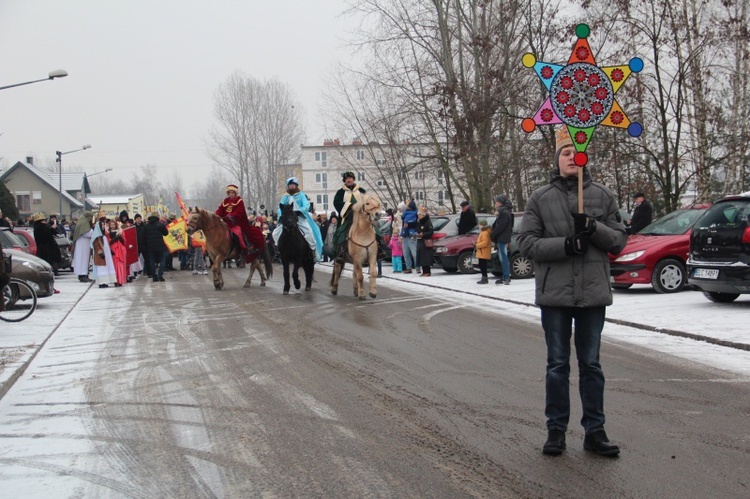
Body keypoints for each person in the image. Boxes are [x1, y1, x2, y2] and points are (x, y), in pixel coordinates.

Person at [517, 126, 627, 457]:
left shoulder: (604, 197)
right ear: (558, 158)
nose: (571, 158)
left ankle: (595, 431)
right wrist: (566, 244)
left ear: (585, 157)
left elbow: (619, 241)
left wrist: (594, 229)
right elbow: (526, 244)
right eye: (565, 153)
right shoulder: (540, 198)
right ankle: (556, 431)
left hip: (592, 295)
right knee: (557, 364)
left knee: (591, 364)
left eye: (576, 153)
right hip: (555, 296)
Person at [333, 171, 385, 263]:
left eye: (350, 178)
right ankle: (341, 252)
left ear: (353, 179)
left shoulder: (361, 190)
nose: (349, 180)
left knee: (375, 230)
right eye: (347, 178)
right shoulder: (341, 192)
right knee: (341, 232)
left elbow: (367, 202)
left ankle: (379, 248)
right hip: (348, 217)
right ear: (345, 180)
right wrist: (349, 206)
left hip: (362, 217)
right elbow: (336, 203)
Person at [273, 177, 324, 262]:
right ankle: (278, 251)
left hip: (299, 218)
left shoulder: (301, 195)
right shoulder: (285, 196)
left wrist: (300, 211)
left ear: (296, 185)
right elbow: (280, 208)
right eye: (290, 185)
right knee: (275, 233)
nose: (292, 186)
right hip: (287, 219)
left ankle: (313, 251)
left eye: (293, 185)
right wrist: (281, 214)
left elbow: (306, 205)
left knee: (309, 232)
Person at [216, 184, 266, 262]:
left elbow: (240, 213)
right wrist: (216, 216)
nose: (231, 194)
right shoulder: (225, 201)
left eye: (233, 193)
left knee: (236, 234)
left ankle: (238, 253)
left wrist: (230, 217)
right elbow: (220, 210)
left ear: (235, 193)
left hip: (235, 223)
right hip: (225, 223)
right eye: (230, 193)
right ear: (228, 193)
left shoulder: (239, 201)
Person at [490, 194, 514, 285]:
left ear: (500, 202)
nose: (495, 203)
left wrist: (492, 234)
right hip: (503, 237)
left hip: (502, 238)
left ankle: (506, 277)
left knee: (503, 257)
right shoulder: (505, 211)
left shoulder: (503, 212)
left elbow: (500, 226)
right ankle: (505, 276)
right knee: (502, 257)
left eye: (496, 202)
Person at [91, 215, 117, 288]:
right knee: (102, 269)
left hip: (107, 255)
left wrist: (110, 251)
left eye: (103, 225)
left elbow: (107, 245)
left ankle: (106, 281)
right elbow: (96, 245)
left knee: (107, 268)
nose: (103, 226)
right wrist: (100, 253)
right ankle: (102, 282)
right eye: (101, 225)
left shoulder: (104, 236)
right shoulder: (96, 236)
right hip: (101, 256)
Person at [143, 211, 169, 282]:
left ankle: (154, 276)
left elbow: (144, 237)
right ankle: (160, 275)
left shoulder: (146, 226)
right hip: (160, 246)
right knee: (162, 261)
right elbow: (166, 233)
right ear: (157, 217)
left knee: (152, 261)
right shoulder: (160, 225)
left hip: (150, 247)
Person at [71, 211, 94, 283]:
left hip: (82, 244)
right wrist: (93, 231)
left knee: (82, 260)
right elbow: (86, 233)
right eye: (90, 217)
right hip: (83, 244)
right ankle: (83, 275)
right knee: (83, 260)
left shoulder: (81, 222)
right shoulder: (84, 223)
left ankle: (83, 275)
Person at [107, 220, 128, 287]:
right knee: (114, 265)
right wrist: (114, 239)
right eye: (111, 225)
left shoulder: (121, 231)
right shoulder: (108, 233)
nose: (112, 226)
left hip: (121, 250)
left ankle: (120, 280)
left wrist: (119, 237)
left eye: (113, 224)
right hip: (113, 250)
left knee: (121, 265)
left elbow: (124, 241)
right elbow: (108, 242)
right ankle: (115, 280)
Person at [400, 200, 418, 273]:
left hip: (412, 235)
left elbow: (417, 224)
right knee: (405, 253)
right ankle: (408, 267)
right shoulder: (404, 214)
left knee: (414, 253)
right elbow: (403, 224)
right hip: (405, 235)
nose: (406, 206)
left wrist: (409, 225)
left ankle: (417, 267)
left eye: (407, 205)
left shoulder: (416, 214)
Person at [415, 206, 434, 276]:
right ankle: (424, 271)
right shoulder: (419, 222)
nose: (419, 216)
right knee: (421, 257)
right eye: (418, 215)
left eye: (420, 215)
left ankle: (427, 271)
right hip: (420, 241)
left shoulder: (428, 222)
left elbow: (431, 232)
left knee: (426, 257)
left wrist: (423, 234)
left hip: (426, 242)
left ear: (423, 215)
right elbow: (417, 229)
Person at [475, 218, 492, 284]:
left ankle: (484, 278)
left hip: (483, 251)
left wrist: (477, 245)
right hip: (482, 251)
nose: (479, 226)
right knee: (482, 265)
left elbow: (485, 242)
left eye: (480, 225)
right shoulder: (483, 232)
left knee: (483, 265)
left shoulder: (484, 233)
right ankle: (484, 278)